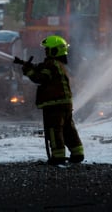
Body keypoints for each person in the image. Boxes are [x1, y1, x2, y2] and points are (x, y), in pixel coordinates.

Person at [17, 35, 84, 165]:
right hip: (65, 103)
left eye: (47, 50)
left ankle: (58, 156)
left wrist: (29, 72)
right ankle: (78, 153)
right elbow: (43, 69)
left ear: (54, 51)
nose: (45, 52)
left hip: (54, 104)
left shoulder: (51, 64)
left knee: (54, 130)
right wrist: (31, 66)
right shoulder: (59, 64)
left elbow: (41, 78)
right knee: (68, 129)